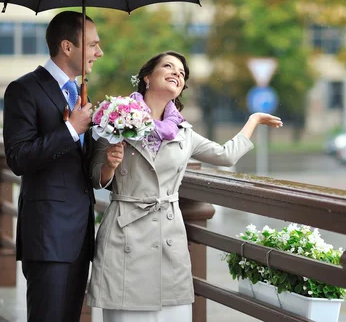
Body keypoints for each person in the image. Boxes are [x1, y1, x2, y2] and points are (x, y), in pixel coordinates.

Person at [86, 50, 283, 321]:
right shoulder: (113, 119)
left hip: (167, 236)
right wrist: (110, 164)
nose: (176, 74)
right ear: (147, 77)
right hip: (124, 233)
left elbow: (225, 156)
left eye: (181, 73)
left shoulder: (184, 133)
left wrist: (253, 120)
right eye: (168, 67)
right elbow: (95, 176)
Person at [2, 11, 104, 322]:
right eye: (93, 45)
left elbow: (80, 163)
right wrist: (71, 129)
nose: (100, 53)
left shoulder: (81, 93)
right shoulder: (24, 89)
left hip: (80, 235)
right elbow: (18, 158)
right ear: (67, 47)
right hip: (48, 235)